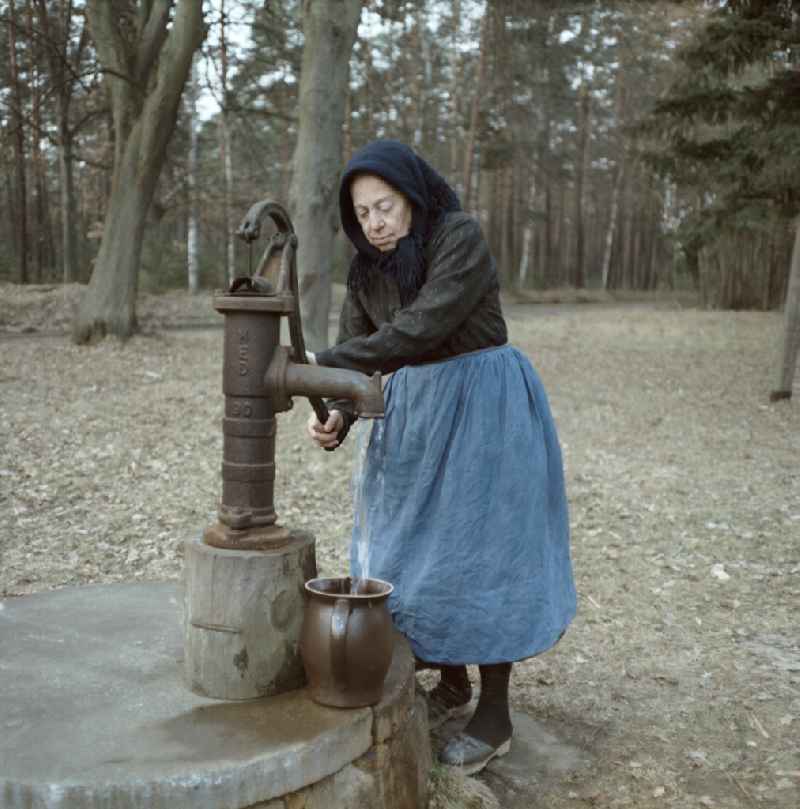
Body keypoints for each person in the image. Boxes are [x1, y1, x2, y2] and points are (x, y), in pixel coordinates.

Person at [305, 139, 576, 774]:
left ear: (414, 196)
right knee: (412, 551)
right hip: (413, 419)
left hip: (484, 407)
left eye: (385, 206)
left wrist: (328, 362)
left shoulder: (459, 237)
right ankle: (448, 678)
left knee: (482, 553)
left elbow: (424, 326)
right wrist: (339, 414)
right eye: (363, 212)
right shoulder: (366, 269)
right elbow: (360, 349)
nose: (375, 223)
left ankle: (495, 712)